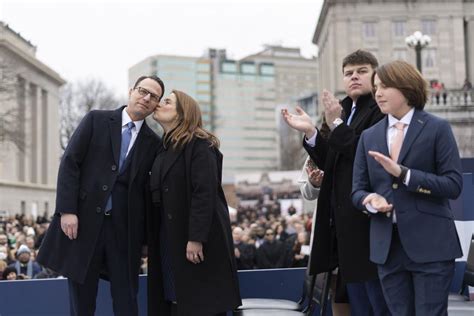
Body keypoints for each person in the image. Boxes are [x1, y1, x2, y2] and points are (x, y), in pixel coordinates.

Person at [36, 75, 164, 316]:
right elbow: (70, 163)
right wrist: (67, 210)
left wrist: (147, 239)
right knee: (82, 304)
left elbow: (149, 194)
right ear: (131, 91)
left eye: (153, 97)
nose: (146, 98)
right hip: (82, 227)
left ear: (156, 104)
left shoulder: (154, 143)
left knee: (127, 302)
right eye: (142, 91)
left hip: (126, 234)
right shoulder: (97, 120)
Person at [352, 60, 463, 316]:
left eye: (385, 86)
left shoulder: (437, 128)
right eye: (376, 87)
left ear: (406, 87)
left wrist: (405, 175)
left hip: (432, 247)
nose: (377, 93)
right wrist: (370, 200)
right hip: (387, 249)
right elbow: (357, 190)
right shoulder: (368, 136)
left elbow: (453, 185)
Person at [282, 50, 389, 315]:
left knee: (376, 304)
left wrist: (337, 122)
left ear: (375, 76)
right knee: (355, 303)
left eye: (361, 71)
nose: (354, 77)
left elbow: (364, 156)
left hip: (368, 223)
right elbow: (332, 161)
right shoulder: (342, 109)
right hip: (341, 226)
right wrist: (311, 132)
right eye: (348, 73)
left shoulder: (380, 110)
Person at [147, 90, 241, 316]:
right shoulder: (164, 148)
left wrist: (196, 238)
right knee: (176, 301)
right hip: (170, 238)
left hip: (196, 241)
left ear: (183, 113)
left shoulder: (199, 144)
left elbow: (204, 193)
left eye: (167, 102)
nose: (159, 104)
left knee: (200, 305)